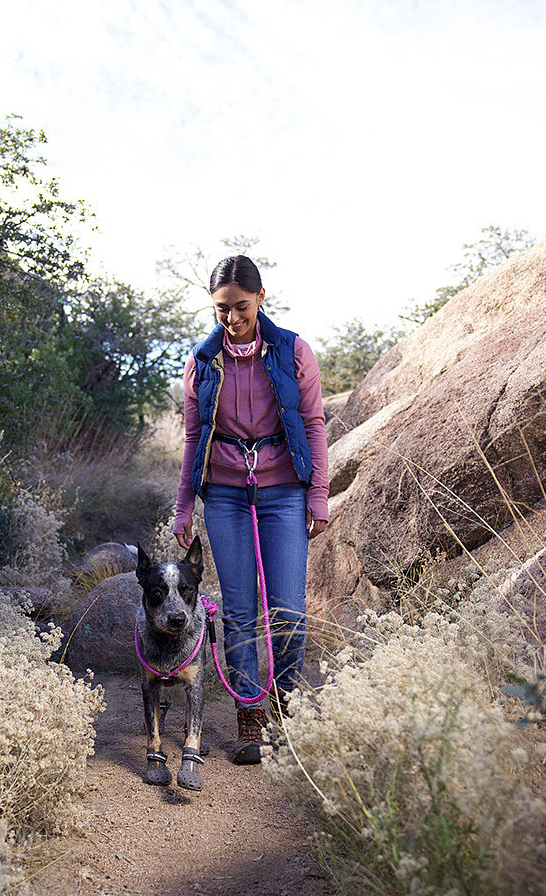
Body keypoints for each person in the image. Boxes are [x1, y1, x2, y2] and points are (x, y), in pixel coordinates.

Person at [172, 255, 329, 766]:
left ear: (261, 298)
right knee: (238, 611)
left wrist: (318, 493)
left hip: (284, 490)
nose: (232, 319)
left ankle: (287, 714)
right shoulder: (203, 360)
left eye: (241, 307)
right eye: (222, 310)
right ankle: (250, 721)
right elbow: (194, 436)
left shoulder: (292, 350)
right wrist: (183, 509)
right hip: (224, 494)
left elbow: (314, 422)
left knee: (288, 609)